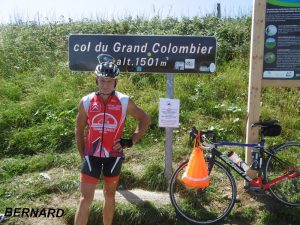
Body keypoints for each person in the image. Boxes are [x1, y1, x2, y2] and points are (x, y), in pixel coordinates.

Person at [74, 57, 150, 225]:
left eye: (109, 81)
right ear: (97, 80)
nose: (105, 84)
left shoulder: (124, 101)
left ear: (115, 82)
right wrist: (83, 156)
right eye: (102, 80)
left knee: (109, 196)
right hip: (91, 155)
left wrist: (130, 141)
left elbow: (144, 119)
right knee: (85, 198)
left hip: (113, 155)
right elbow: (79, 130)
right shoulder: (86, 101)